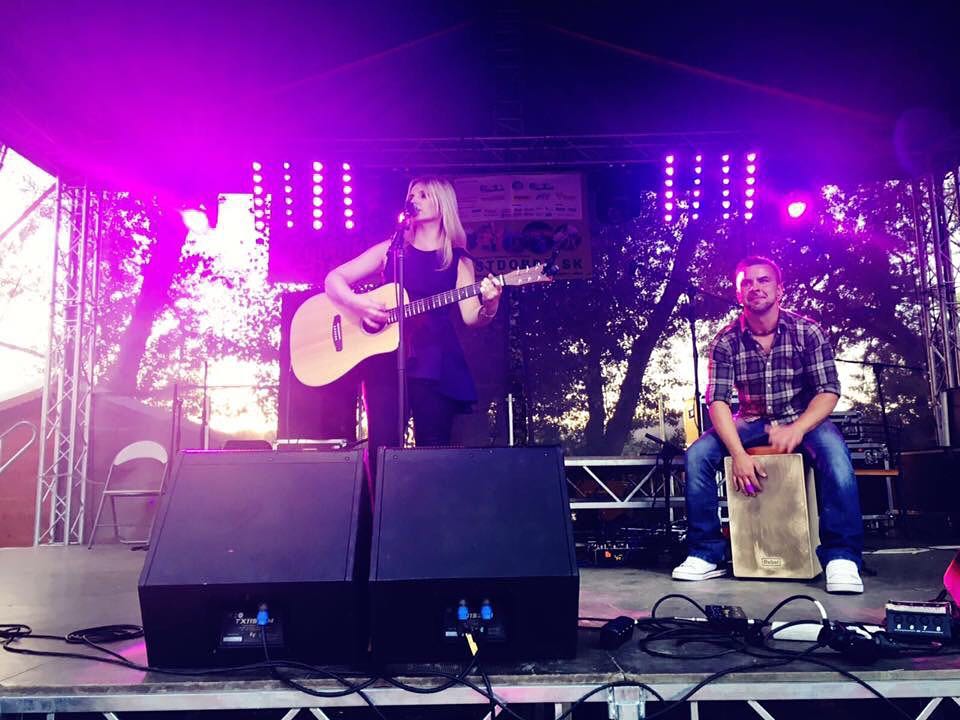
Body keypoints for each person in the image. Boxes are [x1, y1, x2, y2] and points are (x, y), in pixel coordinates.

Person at [672, 256, 864, 594]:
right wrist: (738, 454)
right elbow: (716, 401)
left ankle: (842, 557)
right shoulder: (725, 340)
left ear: (779, 289)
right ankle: (705, 553)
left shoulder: (808, 331)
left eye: (763, 281)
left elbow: (828, 391)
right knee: (697, 456)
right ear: (738, 293)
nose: (755, 287)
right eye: (747, 282)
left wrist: (799, 428)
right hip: (751, 419)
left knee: (835, 455)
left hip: (802, 417)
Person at [324, 176, 503, 490]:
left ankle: (426, 524)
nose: (415, 199)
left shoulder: (458, 260)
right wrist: (361, 306)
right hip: (384, 358)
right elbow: (334, 279)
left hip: (435, 361)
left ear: (441, 203)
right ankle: (380, 524)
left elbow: (472, 317)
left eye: (424, 194)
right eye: (412, 194)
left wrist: (491, 303)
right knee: (381, 445)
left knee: (432, 448)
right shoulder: (392, 248)